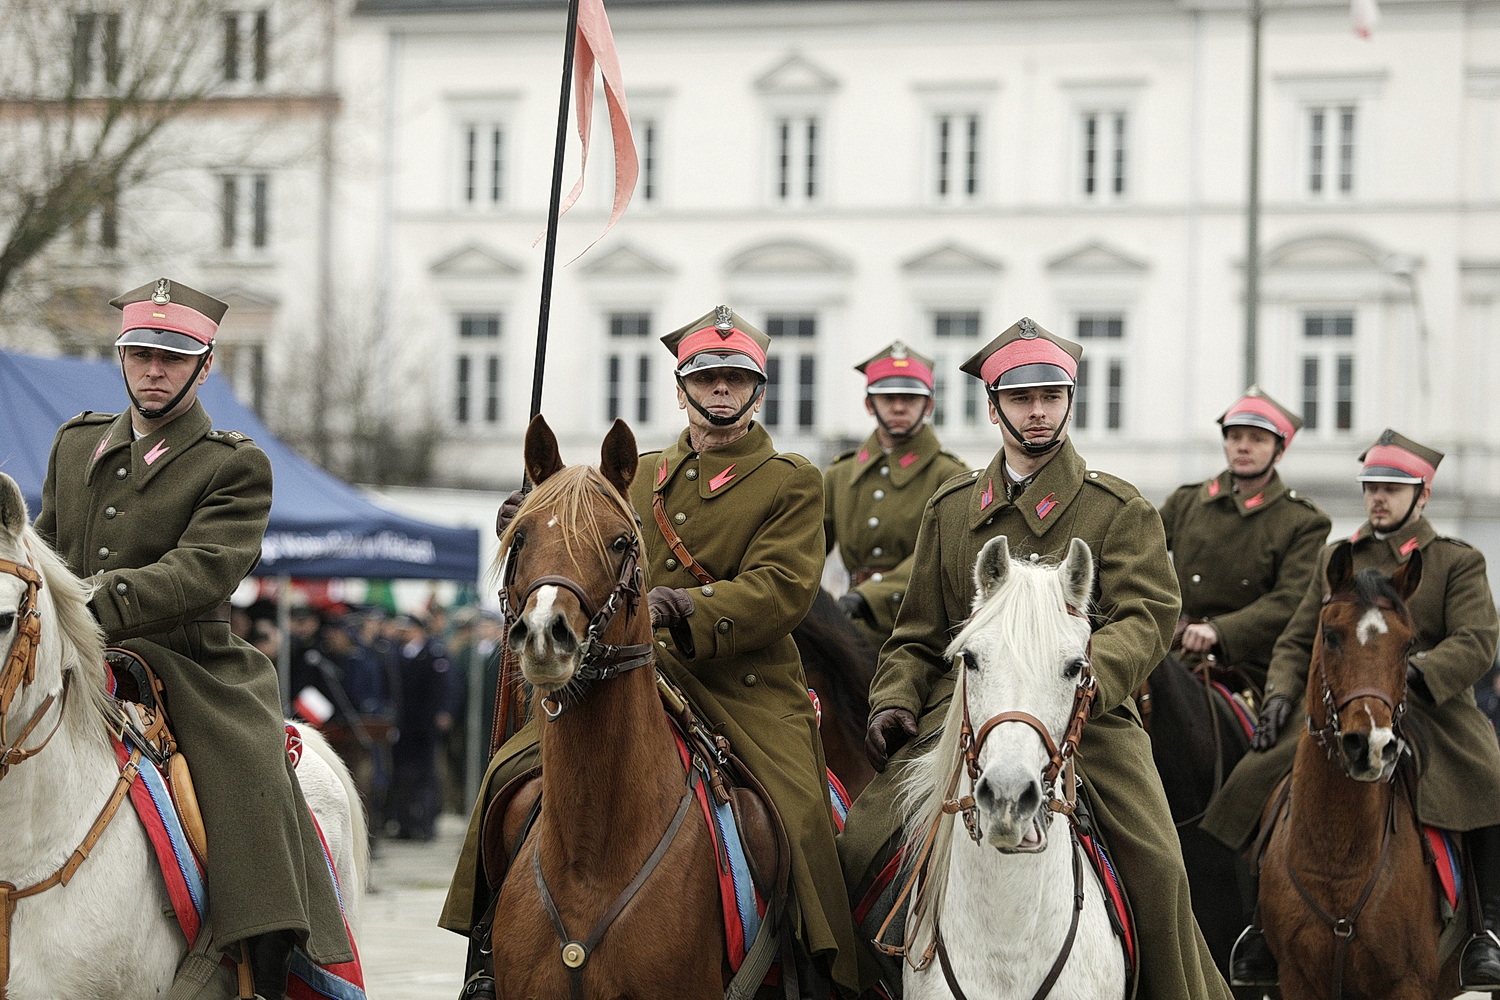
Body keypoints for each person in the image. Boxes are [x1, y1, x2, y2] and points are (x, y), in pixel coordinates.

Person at [441, 306, 859, 994]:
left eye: (735, 377)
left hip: (741, 686)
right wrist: (531, 515)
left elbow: (782, 590)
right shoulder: (637, 473)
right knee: (507, 782)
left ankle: (812, 967)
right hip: (630, 672)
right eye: (706, 377)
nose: (720, 389)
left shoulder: (791, 479)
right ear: (681, 388)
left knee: (793, 814)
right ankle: (490, 954)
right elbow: (575, 534)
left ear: (758, 389)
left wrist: (690, 604)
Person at [837, 317, 1231, 999]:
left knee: (1161, 865)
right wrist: (894, 697)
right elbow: (919, 632)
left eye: (1051, 396)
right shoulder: (954, 509)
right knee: (857, 846)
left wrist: (1085, 677)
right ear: (993, 407)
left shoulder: (1117, 507)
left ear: (1070, 401)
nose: (1038, 411)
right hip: (967, 712)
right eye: (1021, 399)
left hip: (1085, 716)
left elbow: (1148, 615)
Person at [34, 278, 350, 998]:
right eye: (141, 354)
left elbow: (204, 569)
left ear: (205, 366)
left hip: (189, 663)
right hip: (75, 653)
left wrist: (87, 603)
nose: (153, 370)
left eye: (172, 358)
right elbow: (46, 546)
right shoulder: (74, 443)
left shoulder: (232, 462)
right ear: (121, 357)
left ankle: (267, 947)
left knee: (247, 777)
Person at [1203, 430, 1500, 990]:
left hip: (1427, 705)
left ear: (1423, 496)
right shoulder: (1336, 559)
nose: (1379, 498)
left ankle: (1486, 931)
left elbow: (1477, 639)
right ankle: (1261, 930)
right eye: (1372, 488)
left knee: (1486, 779)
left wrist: (1411, 671)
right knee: (1250, 783)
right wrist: (1279, 700)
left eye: (1393, 488)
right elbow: (1297, 640)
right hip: (1340, 702)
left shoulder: (1454, 561)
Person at [1158, 388, 1331, 693]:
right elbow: (1140, 554)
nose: (1243, 447)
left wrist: (1219, 631)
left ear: (1279, 451)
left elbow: (1290, 600)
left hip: (1251, 664)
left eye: (1257, 439)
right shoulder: (1187, 502)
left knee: (1284, 739)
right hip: (1177, 651)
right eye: (1235, 437)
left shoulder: (1303, 521)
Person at [823, 341, 966, 647]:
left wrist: (867, 596)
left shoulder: (951, 475)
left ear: (928, 406)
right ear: (869, 404)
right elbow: (806, 547)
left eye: (910, 398)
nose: (899, 407)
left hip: (921, 626)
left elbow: (940, 554)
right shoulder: (841, 473)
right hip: (851, 623)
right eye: (888, 398)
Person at [388, 614, 455, 841]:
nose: (402, 633)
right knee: (402, 775)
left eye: (406, 629)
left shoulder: (433, 654)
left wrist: (444, 712)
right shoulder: (397, 654)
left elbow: (445, 687)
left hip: (425, 725)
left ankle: (425, 825)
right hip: (403, 725)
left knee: (426, 776)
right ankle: (405, 824)